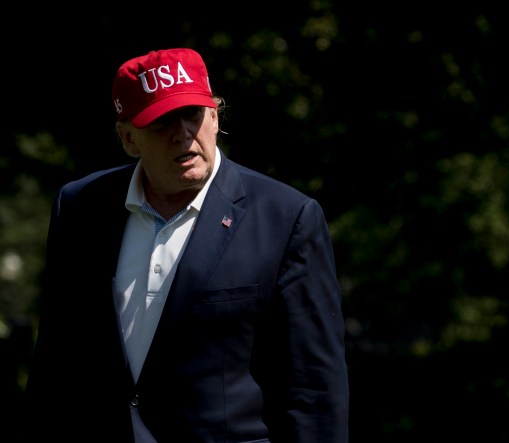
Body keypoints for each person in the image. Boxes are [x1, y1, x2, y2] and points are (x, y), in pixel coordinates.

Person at [21, 48, 349, 443]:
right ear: (128, 138)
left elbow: (314, 389)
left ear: (215, 116)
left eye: (192, 113)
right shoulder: (81, 208)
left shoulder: (286, 217)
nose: (183, 133)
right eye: (161, 121)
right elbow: (55, 361)